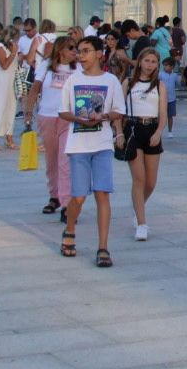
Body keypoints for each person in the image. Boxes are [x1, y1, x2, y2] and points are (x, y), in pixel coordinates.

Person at [59, 36, 124, 267]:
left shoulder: (111, 80)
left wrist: (103, 116)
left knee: (102, 193)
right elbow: (63, 112)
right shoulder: (72, 80)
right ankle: (69, 229)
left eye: (86, 51)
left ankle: (103, 247)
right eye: (79, 51)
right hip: (78, 146)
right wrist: (79, 118)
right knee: (78, 197)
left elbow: (119, 111)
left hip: (102, 145)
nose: (81, 56)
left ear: (99, 53)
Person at [121, 47, 165, 242]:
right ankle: (142, 223)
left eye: (153, 62)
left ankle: (138, 206)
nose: (150, 65)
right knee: (138, 179)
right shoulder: (129, 83)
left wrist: (158, 132)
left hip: (152, 129)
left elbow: (163, 112)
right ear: (139, 62)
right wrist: (117, 133)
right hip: (133, 128)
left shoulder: (159, 85)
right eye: (147, 61)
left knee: (151, 182)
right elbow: (119, 110)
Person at [36, 36, 76, 219]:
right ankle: (54, 196)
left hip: (68, 118)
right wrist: (28, 113)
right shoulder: (46, 66)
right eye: (71, 48)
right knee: (51, 160)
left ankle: (67, 204)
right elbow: (35, 88)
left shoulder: (79, 69)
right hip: (48, 116)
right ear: (61, 50)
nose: (75, 52)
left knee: (65, 162)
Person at [159, 56, 180, 134]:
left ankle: (170, 131)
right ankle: (159, 130)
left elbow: (178, 84)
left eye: (166, 65)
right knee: (160, 115)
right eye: (164, 65)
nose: (164, 67)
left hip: (171, 99)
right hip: (161, 98)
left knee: (170, 116)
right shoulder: (160, 75)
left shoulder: (175, 76)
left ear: (172, 67)